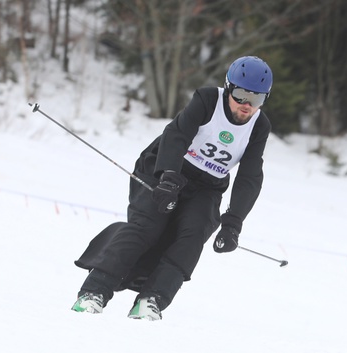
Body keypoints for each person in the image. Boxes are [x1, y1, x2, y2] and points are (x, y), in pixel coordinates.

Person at [71, 56, 273, 320]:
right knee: (149, 225)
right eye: (241, 95)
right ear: (228, 87)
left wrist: (233, 222)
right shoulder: (208, 99)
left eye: (256, 99)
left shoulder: (259, 126)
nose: (246, 105)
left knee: (192, 235)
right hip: (166, 168)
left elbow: (250, 175)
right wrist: (168, 176)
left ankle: (151, 299)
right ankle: (94, 292)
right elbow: (176, 134)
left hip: (207, 186)